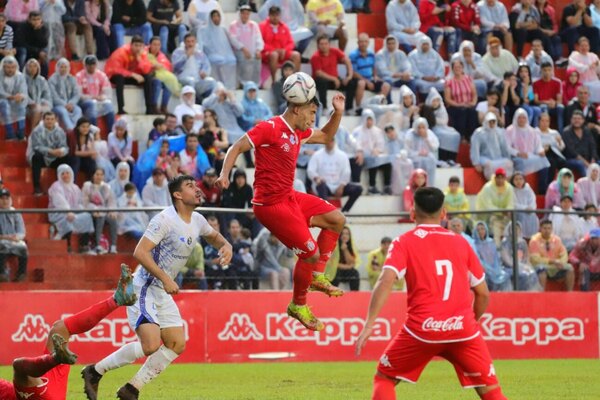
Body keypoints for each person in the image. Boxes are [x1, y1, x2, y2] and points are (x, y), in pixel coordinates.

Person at [81, 175, 232, 400]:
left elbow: (214, 236)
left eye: (196, 185)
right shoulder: (164, 220)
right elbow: (140, 252)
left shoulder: (198, 220)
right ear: (177, 195)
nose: (197, 189)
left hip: (161, 290)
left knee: (176, 343)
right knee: (150, 344)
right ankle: (94, 371)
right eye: (190, 186)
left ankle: (131, 389)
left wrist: (226, 244)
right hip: (144, 286)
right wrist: (166, 278)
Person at [355, 187, 507, 400]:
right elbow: (483, 294)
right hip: (463, 331)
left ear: (412, 213)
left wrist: (369, 324)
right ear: (444, 213)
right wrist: (468, 322)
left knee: (384, 378)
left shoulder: (403, 242)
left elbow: (385, 280)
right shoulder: (462, 243)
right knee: (491, 391)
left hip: (422, 330)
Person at [216, 88, 348, 331]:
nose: (313, 118)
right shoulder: (270, 127)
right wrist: (225, 174)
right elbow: (236, 147)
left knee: (337, 219)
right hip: (270, 205)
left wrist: (337, 113)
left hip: (289, 197)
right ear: (297, 108)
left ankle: (317, 276)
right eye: (311, 112)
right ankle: (298, 305)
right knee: (310, 253)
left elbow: (327, 137)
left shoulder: (299, 132)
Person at [0, 265, 136, 399]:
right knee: (19, 366)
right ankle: (55, 358)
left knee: (60, 329)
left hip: (47, 387)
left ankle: (117, 299)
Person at [48, 163, 95, 253]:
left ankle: (84, 246)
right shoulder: (56, 186)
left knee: (87, 217)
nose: (65, 175)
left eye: (67, 173)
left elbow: (79, 203)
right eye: (63, 173)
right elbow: (60, 202)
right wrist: (68, 212)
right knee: (67, 219)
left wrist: (80, 210)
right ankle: (68, 246)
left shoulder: (75, 187)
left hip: (73, 212)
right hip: (58, 212)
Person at [307, 137, 362, 212]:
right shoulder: (317, 155)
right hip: (324, 185)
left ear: (334, 142)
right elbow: (310, 170)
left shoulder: (342, 155)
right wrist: (317, 178)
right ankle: (326, 211)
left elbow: (347, 172)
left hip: (338, 186)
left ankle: (345, 211)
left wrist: (341, 186)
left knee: (358, 189)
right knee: (321, 185)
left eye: (331, 141)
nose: (329, 143)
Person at [105, 35, 155, 115]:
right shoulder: (121, 52)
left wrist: (140, 60)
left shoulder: (143, 53)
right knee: (119, 78)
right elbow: (116, 69)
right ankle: (121, 109)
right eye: (136, 45)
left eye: (140, 46)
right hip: (115, 76)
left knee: (148, 78)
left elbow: (146, 70)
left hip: (131, 77)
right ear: (131, 45)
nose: (138, 48)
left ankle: (149, 109)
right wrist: (132, 74)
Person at [28, 111, 71, 196]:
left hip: (55, 158)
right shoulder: (37, 131)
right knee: (36, 156)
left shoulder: (60, 131)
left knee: (66, 157)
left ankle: (62, 185)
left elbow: (65, 147)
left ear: (55, 120)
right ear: (43, 120)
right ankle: (37, 188)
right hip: (43, 158)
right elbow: (36, 146)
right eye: (47, 119)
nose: (50, 121)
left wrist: (61, 151)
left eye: (52, 119)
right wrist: (50, 151)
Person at [311, 34, 356, 113]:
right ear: (318, 45)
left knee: (351, 83)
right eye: (321, 44)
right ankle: (324, 108)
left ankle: (349, 108)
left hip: (335, 80)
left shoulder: (334, 51)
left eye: (326, 43)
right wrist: (334, 79)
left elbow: (347, 60)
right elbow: (318, 73)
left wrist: (349, 76)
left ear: (329, 44)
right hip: (323, 81)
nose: (324, 46)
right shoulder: (315, 56)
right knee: (321, 82)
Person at [354, 109, 394, 194]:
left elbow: (381, 144)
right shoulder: (357, 131)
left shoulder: (377, 131)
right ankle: (372, 186)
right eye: (367, 119)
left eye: (371, 119)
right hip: (363, 158)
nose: (369, 122)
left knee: (387, 164)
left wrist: (377, 150)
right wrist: (361, 152)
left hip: (375, 156)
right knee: (373, 161)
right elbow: (356, 144)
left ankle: (387, 186)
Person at [349, 33, 391, 114]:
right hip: (359, 79)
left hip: (370, 79)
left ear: (368, 43)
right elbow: (353, 72)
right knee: (361, 83)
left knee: (386, 85)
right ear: (358, 43)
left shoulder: (371, 54)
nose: (363, 44)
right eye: (361, 42)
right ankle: (358, 108)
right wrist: (367, 82)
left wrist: (375, 76)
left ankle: (376, 105)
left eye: (365, 41)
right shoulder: (353, 55)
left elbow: (373, 67)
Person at [529, 219, 574, 291]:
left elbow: (564, 254)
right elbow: (535, 259)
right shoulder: (534, 240)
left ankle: (570, 293)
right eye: (544, 228)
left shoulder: (557, 239)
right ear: (540, 228)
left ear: (552, 229)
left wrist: (561, 262)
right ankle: (541, 293)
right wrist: (551, 261)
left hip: (556, 265)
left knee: (569, 268)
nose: (547, 231)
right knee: (541, 269)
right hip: (542, 265)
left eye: (549, 228)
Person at [259, 6, 301, 83]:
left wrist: (285, 50)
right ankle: (274, 80)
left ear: (280, 16)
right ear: (269, 15)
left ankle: (295, 80)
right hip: (268, 53)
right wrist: (274, 50)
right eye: (273, 15)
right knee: (274, 55)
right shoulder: (262, 26)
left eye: (277, 15)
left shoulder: (284, 27)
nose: (275, 17)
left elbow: (291, 42)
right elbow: (260, 42)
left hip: (283, 52)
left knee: (296, 55)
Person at [82, 167, 118, 254]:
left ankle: (113, 245)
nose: (99, 176)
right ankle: (98, 244)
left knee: (113, 220)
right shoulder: (87, 186)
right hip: (91, 211)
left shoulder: (107, 187)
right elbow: (85, 202)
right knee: (100, 217)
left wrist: (112, 211)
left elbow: (111, 201)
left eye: (101, 175)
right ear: (93, 175)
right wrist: (94, 209)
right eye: (97, 174)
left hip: (104, 211)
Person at [199, 9, 237, 90]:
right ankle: (217, 85)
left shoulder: (223, 29)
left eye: (218, 16)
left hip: (225, 53)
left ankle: (229, 87)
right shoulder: (203, 30)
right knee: (219, 59)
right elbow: (201, 45)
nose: (216, 18)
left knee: (231, 59)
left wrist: (242, 48)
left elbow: (232, 40)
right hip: (211, 54)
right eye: (214, 16)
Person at [505, 107, 550, 176]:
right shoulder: (510, 130)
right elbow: (507, 147)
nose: (522, 120)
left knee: (544, 160)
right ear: (516, 118)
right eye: (519, 117)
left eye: (524, 118)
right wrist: (518, 153)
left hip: (530, 155)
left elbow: (538, 145)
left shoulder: (532, 131)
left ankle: (543, 185)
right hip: (516, 157)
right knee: (522, 162)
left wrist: (540, 151)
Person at [476, 168, 514, 246]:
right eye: (498, 177)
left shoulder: (509, 188)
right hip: (489, 216)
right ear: (495, 177)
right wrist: (501, 212)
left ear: (505, 178)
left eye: (502, 177)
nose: (500, 180)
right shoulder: (488, 188)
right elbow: (488, 206)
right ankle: (497, 249)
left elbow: (511, 202)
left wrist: (507, 211)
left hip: (504, 216)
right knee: (495, 230)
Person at [76, 55, 115, 130]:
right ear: (85, 65)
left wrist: (102, 97)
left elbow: (107, 92)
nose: (91, 66)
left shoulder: (101, 75)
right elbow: (78, 94)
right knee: (92, 104)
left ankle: (111, 131)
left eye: (93, 64)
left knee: (109, 105)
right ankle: (94, 132)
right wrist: (92, 97)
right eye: (89, 64)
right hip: (84, 102)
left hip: (98, 100)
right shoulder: (79, 76)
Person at [500, 221, 542, 290]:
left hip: (522, 266)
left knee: (532, 273)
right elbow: (507, 260)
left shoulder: (523, 242)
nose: (515, 231)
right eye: (513, 229)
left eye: (517, 229)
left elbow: (526, 257)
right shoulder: (505, 242)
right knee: (524, 275)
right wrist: (521, 267)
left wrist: (526, 266)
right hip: (509, 267)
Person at [470, 113, 514, 179]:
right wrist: (476, 163)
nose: (492, 123)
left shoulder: (499, 131)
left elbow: (504, 147)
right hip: (484, 157)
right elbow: (475, 148)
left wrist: (508, 157)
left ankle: (505, 183)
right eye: (490, 122)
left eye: (493, 121)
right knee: (489, 165)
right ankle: (492, 183)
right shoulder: (479, 132)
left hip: (498, 157)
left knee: (509, 163)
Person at [444, 59, 479, 141]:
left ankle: (471, 136)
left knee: (472, 111)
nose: (457, 69)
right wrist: (460, 104)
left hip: (469, 103)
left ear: (462, 68)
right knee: (462, 111)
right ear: (452, 69)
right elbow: (447, 99)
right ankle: (462, 136)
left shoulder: (469, 79)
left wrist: (473, 102)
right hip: (455, 105)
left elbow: (474, 94)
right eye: (455, 67)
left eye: (459, 67)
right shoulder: (449, 82)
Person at [229, 4, 264, 87]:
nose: (245, 15)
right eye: (243, 13)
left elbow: (258, 38)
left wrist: (258, 50)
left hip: (252, 51)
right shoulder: (234, 25)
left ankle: (255, 84)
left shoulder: (253, 25)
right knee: (244, 58)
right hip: (239, 50)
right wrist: (243, 49)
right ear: (240, 14)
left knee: (258, 58)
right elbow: (233, 40)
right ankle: (243, 83)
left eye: (247, 13)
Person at [472, 220, 512, 291]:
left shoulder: (491, 242)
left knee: (506, 276)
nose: (481, 231)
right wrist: (489, 269)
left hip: (495, 268)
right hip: (484, 270)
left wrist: (497, 269)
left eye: (482, 229)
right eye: (478, 230)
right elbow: (478, 260)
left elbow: (496, 258)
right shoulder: (474, 244)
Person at [0, 188, 28, 282]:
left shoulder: (15, 212)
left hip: (13, 239)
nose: (5, 201)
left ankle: (21, 274)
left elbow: (21, 231)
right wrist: (5, 237)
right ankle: (2, 273)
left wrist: (16, 237)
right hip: (2, 239)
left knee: (22, 246)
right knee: (2, 245)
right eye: (2, 198)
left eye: (7, 198)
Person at [561, 110, 598, 178]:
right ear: (571, 120)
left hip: (587, 158)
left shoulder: (587, 130)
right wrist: (587, 164)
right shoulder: (566, 132)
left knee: (597, 163)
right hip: (571, 159)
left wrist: (593, 159)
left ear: (583, 120)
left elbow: (592, 146)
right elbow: (572, 152)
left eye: (579, 119)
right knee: (580, 164)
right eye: (574, 119)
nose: (576, 121)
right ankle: (587, 183)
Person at [147, 36, 179, 115]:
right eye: (154, 44)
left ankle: (164, 106)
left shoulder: (162, 56)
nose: (156, 47)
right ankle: (153, 106)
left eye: (158, 45)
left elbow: (167, 68)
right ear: (150, 45)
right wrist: (152, 67)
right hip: (148, 75)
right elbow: (142, 65)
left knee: (168, 83)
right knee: (157, 82)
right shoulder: (144, 53)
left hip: (160, 76)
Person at [537, 112, 567, 193]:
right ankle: (547, 187)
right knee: (551, 163)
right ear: (539, 122)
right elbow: (533, 146)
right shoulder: (535, 132)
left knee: (563, 162)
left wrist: (560, 142)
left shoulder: (554, 132)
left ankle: (564, 186)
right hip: (542, 154)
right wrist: (542, 148)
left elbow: (562, 147)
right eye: (542, 121)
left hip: (554, 153)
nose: (545, 123)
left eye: (547, 121)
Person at [404, 118, 439, 186]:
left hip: (428, 157)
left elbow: (435, 147)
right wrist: (418, 153)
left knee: (430, 160)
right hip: (413, 157)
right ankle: (414, 185)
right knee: (417, 162)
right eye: (419, 127)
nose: (421, 130)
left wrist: (426, 139)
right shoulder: (410, 134)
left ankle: (429, 185)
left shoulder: (429, 133)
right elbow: (407, 149)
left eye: (423, 127)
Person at [0, 56, 26, 141]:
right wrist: (12, 97)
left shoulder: (20, 76)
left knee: (21, 104)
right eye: (8, 67)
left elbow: (23, 91)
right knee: (4, 104)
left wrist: (20, 96)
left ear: (16, 67)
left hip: (15, 99)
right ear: (3, 67)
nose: (10, 70)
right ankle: (10, 134)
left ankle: (21, 132)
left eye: (12, 67)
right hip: (2, 100)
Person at [567, 36, 600, 104]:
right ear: (578, 47)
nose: (584, 48)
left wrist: (598, 65)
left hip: (594, 81)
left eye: (586, 46)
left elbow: (598, 70)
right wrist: (588, 66)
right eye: (582, 46)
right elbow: (576, 68)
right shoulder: (574, 56)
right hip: (581, 82)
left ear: (589, 47)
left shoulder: (593, 56)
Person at [533, 62, 564, 132]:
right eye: (545, 70)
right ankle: (545, 131)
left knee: (560, 107)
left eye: (549, 70)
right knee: (543, 107)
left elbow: (559, 100)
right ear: (541, 71)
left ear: (552, 71)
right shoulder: (535, 83)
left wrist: (555, 103)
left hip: (554, 106)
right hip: (542, 106)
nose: (547, 72)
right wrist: (547, 102)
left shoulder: (558, 82)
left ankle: (561, 132)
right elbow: (535, 100)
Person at [329, 226, 360, 291]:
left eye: (347, 234)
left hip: (345, 272)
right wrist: (348, 267)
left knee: (355, 273)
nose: (345, 236)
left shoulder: (352, 246)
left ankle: (355, 295)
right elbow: (333, 264)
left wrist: (345, 250)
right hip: (334, 271)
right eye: (342, 234)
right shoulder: (334, 245)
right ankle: (332, 295)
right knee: (335, 272)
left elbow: (352, 263)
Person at [510, 171, 539, 238]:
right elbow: (513, 204)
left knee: (533, 215)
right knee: (522, 215)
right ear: (513, 181)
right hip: (518, 212)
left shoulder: (528, 189)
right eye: (516, 179)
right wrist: (525, 208)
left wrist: (531, 208)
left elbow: (532, 200)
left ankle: (532, 237)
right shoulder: (511, 190)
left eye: (520, 179)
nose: (518, 181)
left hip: (529, 211)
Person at [25, 58, 51, 129]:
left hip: (40, 104)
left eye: (35, 66)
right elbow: (23, 94)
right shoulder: (22, 79)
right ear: (26, 68)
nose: (32, 68)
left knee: (47, 111)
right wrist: (31, 103)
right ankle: (33, 131)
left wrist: (43, 102)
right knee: (38, 109)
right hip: (27, 106)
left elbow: (47, 94)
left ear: (38, 68)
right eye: (30, 66)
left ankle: (42, 132)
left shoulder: (42, 80)